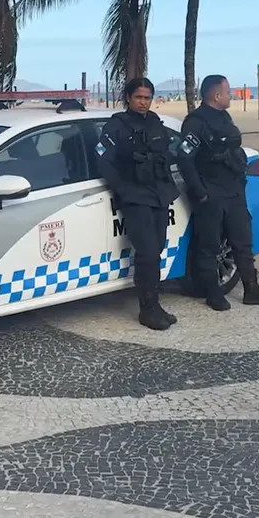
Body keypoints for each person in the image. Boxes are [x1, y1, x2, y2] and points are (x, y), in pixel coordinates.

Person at [177, 75, 259, 312]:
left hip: (234, 191)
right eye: (228, 91)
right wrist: (200, 192)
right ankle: (213, 294)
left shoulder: (224, 117)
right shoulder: (196, 122)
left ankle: (252, 289)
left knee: (243, 243)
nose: (231, 94)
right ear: (216, 95)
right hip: (211, 194)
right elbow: (184, 158)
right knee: (209, 246)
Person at [96, 77, 179, 332]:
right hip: (136, 198)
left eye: (147, 98)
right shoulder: (116, 127)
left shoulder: (155, 122)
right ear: (129, 99)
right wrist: (123, 189)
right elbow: (103, 160)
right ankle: (147, 309)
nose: (143, 102)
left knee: (158, 249)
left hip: (158, 194)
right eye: (138, 97)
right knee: (147, 253)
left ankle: (155, 304)